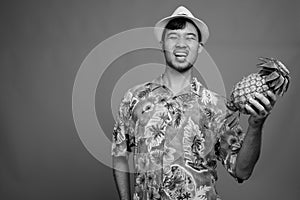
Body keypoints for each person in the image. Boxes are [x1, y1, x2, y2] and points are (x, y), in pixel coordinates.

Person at [112, 6, 276, 200]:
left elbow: (242, 171)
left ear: (199, 47)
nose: (181, 44)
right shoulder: (134, 98)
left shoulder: (218, 106)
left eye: (190, 37)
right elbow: (119, 154)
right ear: (162, 44)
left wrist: (256, 126)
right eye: (173, 36)